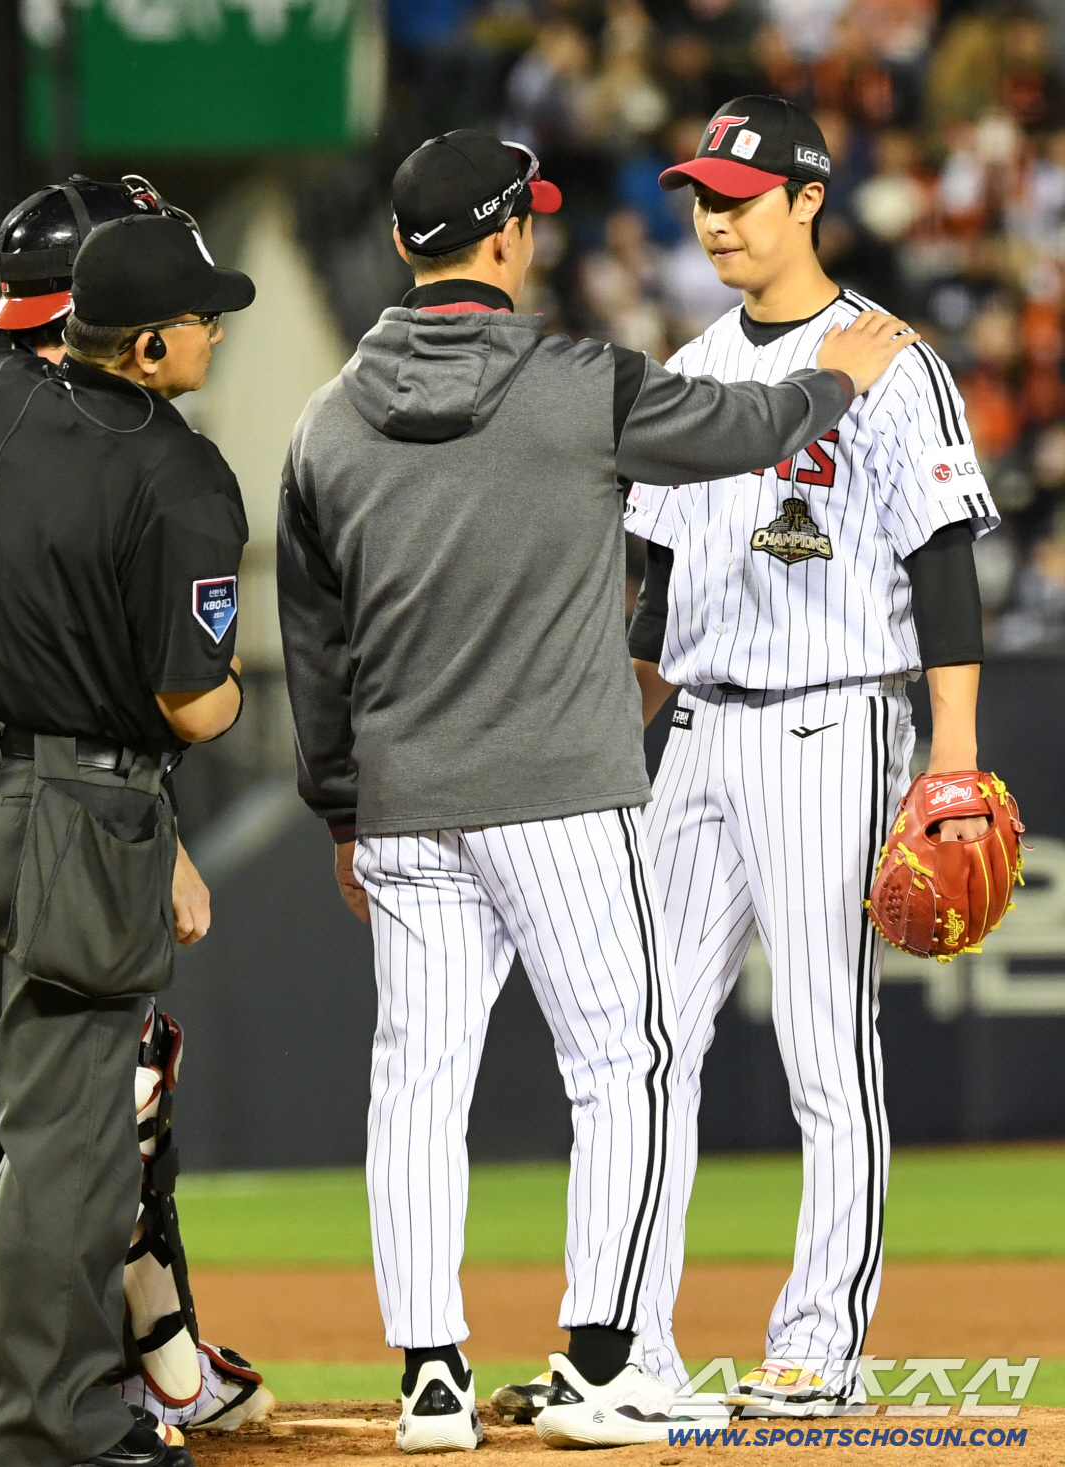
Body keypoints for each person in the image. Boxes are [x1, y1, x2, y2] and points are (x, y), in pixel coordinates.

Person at [276, 127, 920, 1452]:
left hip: (403, 795)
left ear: (406, 245)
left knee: (415, 1078)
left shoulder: (326, 421)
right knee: (621, 1060)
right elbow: (743, 428)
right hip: (560, 787)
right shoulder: (578, 384)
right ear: (510, 238)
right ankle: (603, 1360)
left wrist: (340, 805)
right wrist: (832, 381)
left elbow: (315, 647)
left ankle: (431, 1377)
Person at [512, 96, 995, 1422]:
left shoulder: (893, 362)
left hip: (831, 719)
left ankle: (817, 1343)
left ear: (805, 199)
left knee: (827, 1055)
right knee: (640, 1041)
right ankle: (618, 1345)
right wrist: (614, 728)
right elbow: (655, 582)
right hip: (697, 731)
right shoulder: (695, 359)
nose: (714, 215)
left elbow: (946, 567)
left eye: (738, 192)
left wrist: (949, 762)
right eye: (701, 195)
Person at [0, 210, 253, 1467]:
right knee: (71, 1135)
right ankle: (50, 1427)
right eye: (199, 317)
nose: (213, 330)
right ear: (145, 346)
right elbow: (195, 700)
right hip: (77, 816)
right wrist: (229, 690)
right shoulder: (180, 470)